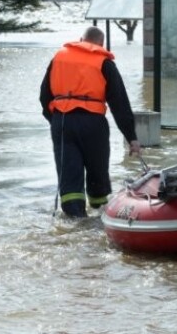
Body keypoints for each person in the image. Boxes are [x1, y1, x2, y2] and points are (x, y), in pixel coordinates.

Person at [40, 26, 141, 217]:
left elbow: (44, 96)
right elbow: (119, 103)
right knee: (97, 170)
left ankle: (74, 218)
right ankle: (98, 214)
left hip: (62, 122)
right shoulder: (104, 62)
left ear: (80, 39)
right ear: (101, 45)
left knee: (69, 172)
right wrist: (131, 137)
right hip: (93, 123)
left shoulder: (59, 57)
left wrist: (55, 121)